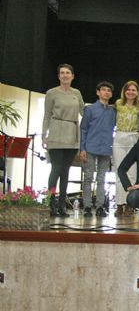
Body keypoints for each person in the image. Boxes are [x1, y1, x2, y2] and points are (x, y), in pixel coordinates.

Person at [43, 63, 85, 216]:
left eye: (68, 73)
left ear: (73, 76)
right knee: (56, 168)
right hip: (56, 132)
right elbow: (47, 115)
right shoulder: (51, 93)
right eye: (62, 73)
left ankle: (62, 204)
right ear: (58, 76)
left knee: (66, 171)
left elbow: (84, 112)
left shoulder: (77, 93)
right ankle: (51, 203)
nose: (65, 75)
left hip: (72, 133)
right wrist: (44, 135)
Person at [80, 81, 116, 217]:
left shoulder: (113, 111)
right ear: (98, 92)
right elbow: (83, 129)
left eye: (109, 90)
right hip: (90, 147)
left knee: (102, 178)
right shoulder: (89, 109)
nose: (106, 92)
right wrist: (82, 148)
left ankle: (100, 206)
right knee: (88, 177)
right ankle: (87, 207)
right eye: (104, 90)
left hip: (106, 148)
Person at [113, 80, 139, 217]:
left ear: (137, 92)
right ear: (124, 91)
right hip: (119, 138)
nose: (130, 92)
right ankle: (119, 204)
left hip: (133, 138)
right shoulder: (118, 104)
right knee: (119, 172)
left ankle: (130, 204)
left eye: (133, 90)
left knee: (131, 174)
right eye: (128, 89)